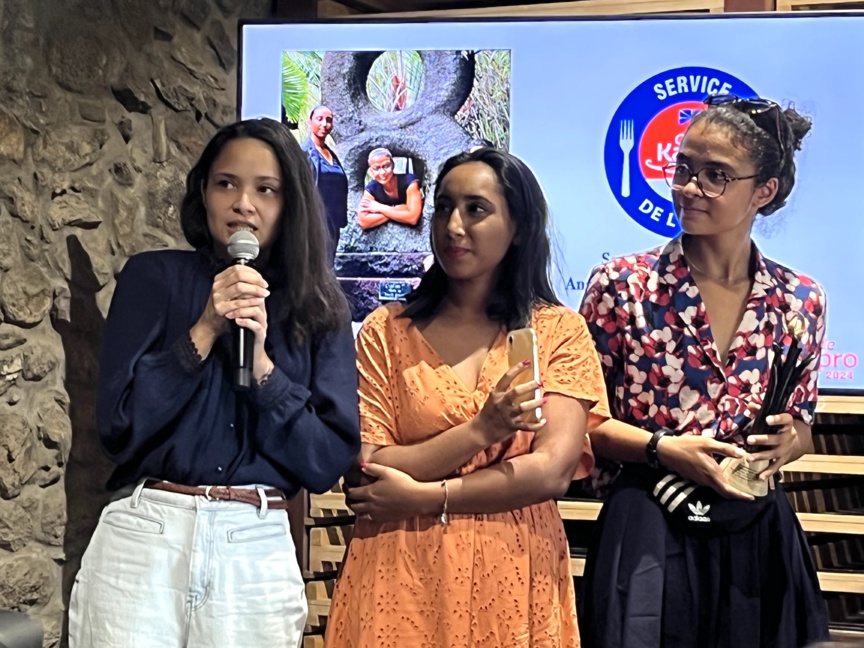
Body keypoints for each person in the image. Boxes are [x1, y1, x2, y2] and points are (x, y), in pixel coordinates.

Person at [68, 118, 361, 648]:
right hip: (148, 532)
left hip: (255, 543)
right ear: (202, 192)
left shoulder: (320, 307)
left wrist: (266, 370)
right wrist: (203, 330)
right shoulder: (153, 278)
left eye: (265, 189)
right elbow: (118, 428)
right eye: (226, 183)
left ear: (290, 203)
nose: (243, 203)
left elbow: (324, 462)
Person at [325, 147, 610, 647]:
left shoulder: (558, 331)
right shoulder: (386, 330)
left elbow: (551, 470)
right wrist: (482, 431)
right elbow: (373, 466)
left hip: (514, 564)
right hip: (401, 563)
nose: (453, 225)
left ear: (518, 226)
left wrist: (428, 495)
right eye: (442, 207)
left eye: (476, 209)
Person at [578, 95, 829, 648]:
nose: (690, 187)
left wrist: (791, 441)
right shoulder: (621, 285)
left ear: (764, 191)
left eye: (716, 175)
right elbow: (581, 423)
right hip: (647, 521)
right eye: (684, 169)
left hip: (752, 525)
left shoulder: (800, 300)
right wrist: (664, 448)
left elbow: (803, 424)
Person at [302, 105, 348, 262]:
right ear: (310, 122)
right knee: (313, 265)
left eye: (328, 120)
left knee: (328, 265)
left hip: (332, 221)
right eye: (319, 119)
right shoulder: (303, 152)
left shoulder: (332, 154)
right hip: (312, 220)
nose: (324, 124)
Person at [356, 147, 423, 230]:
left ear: (393, 165)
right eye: (376, 168)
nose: (382, 173)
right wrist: (399, 209)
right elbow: (363, 221)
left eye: (386, 166)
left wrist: (380, 207)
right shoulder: (371, 189)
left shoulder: (409, 182)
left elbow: (413, 218)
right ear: (371, 171)